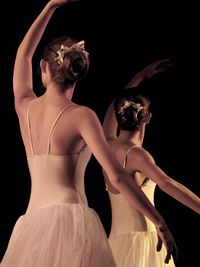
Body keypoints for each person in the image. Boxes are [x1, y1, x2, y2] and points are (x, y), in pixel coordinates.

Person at [0, 1, 177, 266]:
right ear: (77, 73)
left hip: (32, 224)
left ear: (43, 68)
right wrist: (159, 221)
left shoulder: (25, 107)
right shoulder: (82, 116)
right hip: (74, 223)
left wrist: (49, 7)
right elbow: (117, 176)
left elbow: (22, 55)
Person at [102, 60, 200, 267]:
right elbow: (166, 183)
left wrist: (139, 77)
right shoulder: (136, 155)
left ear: (119, 116)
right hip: (143, 245)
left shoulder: (107, 145)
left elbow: (114, 106)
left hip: (114, 244)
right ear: (148, 118)